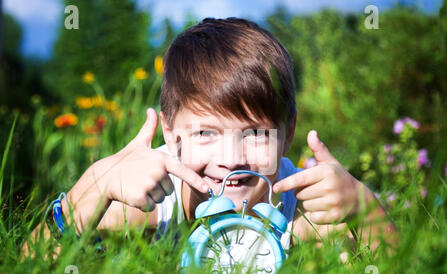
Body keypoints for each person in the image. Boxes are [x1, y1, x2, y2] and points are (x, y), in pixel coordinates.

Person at [23, 17, 397, 259]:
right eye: (205, 133)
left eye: (254, 133)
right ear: (170, 134)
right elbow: (26, 268)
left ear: (288, 134)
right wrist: (93, 185)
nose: (230, 158)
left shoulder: (302, 212)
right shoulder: (149, 206)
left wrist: (366, 210)